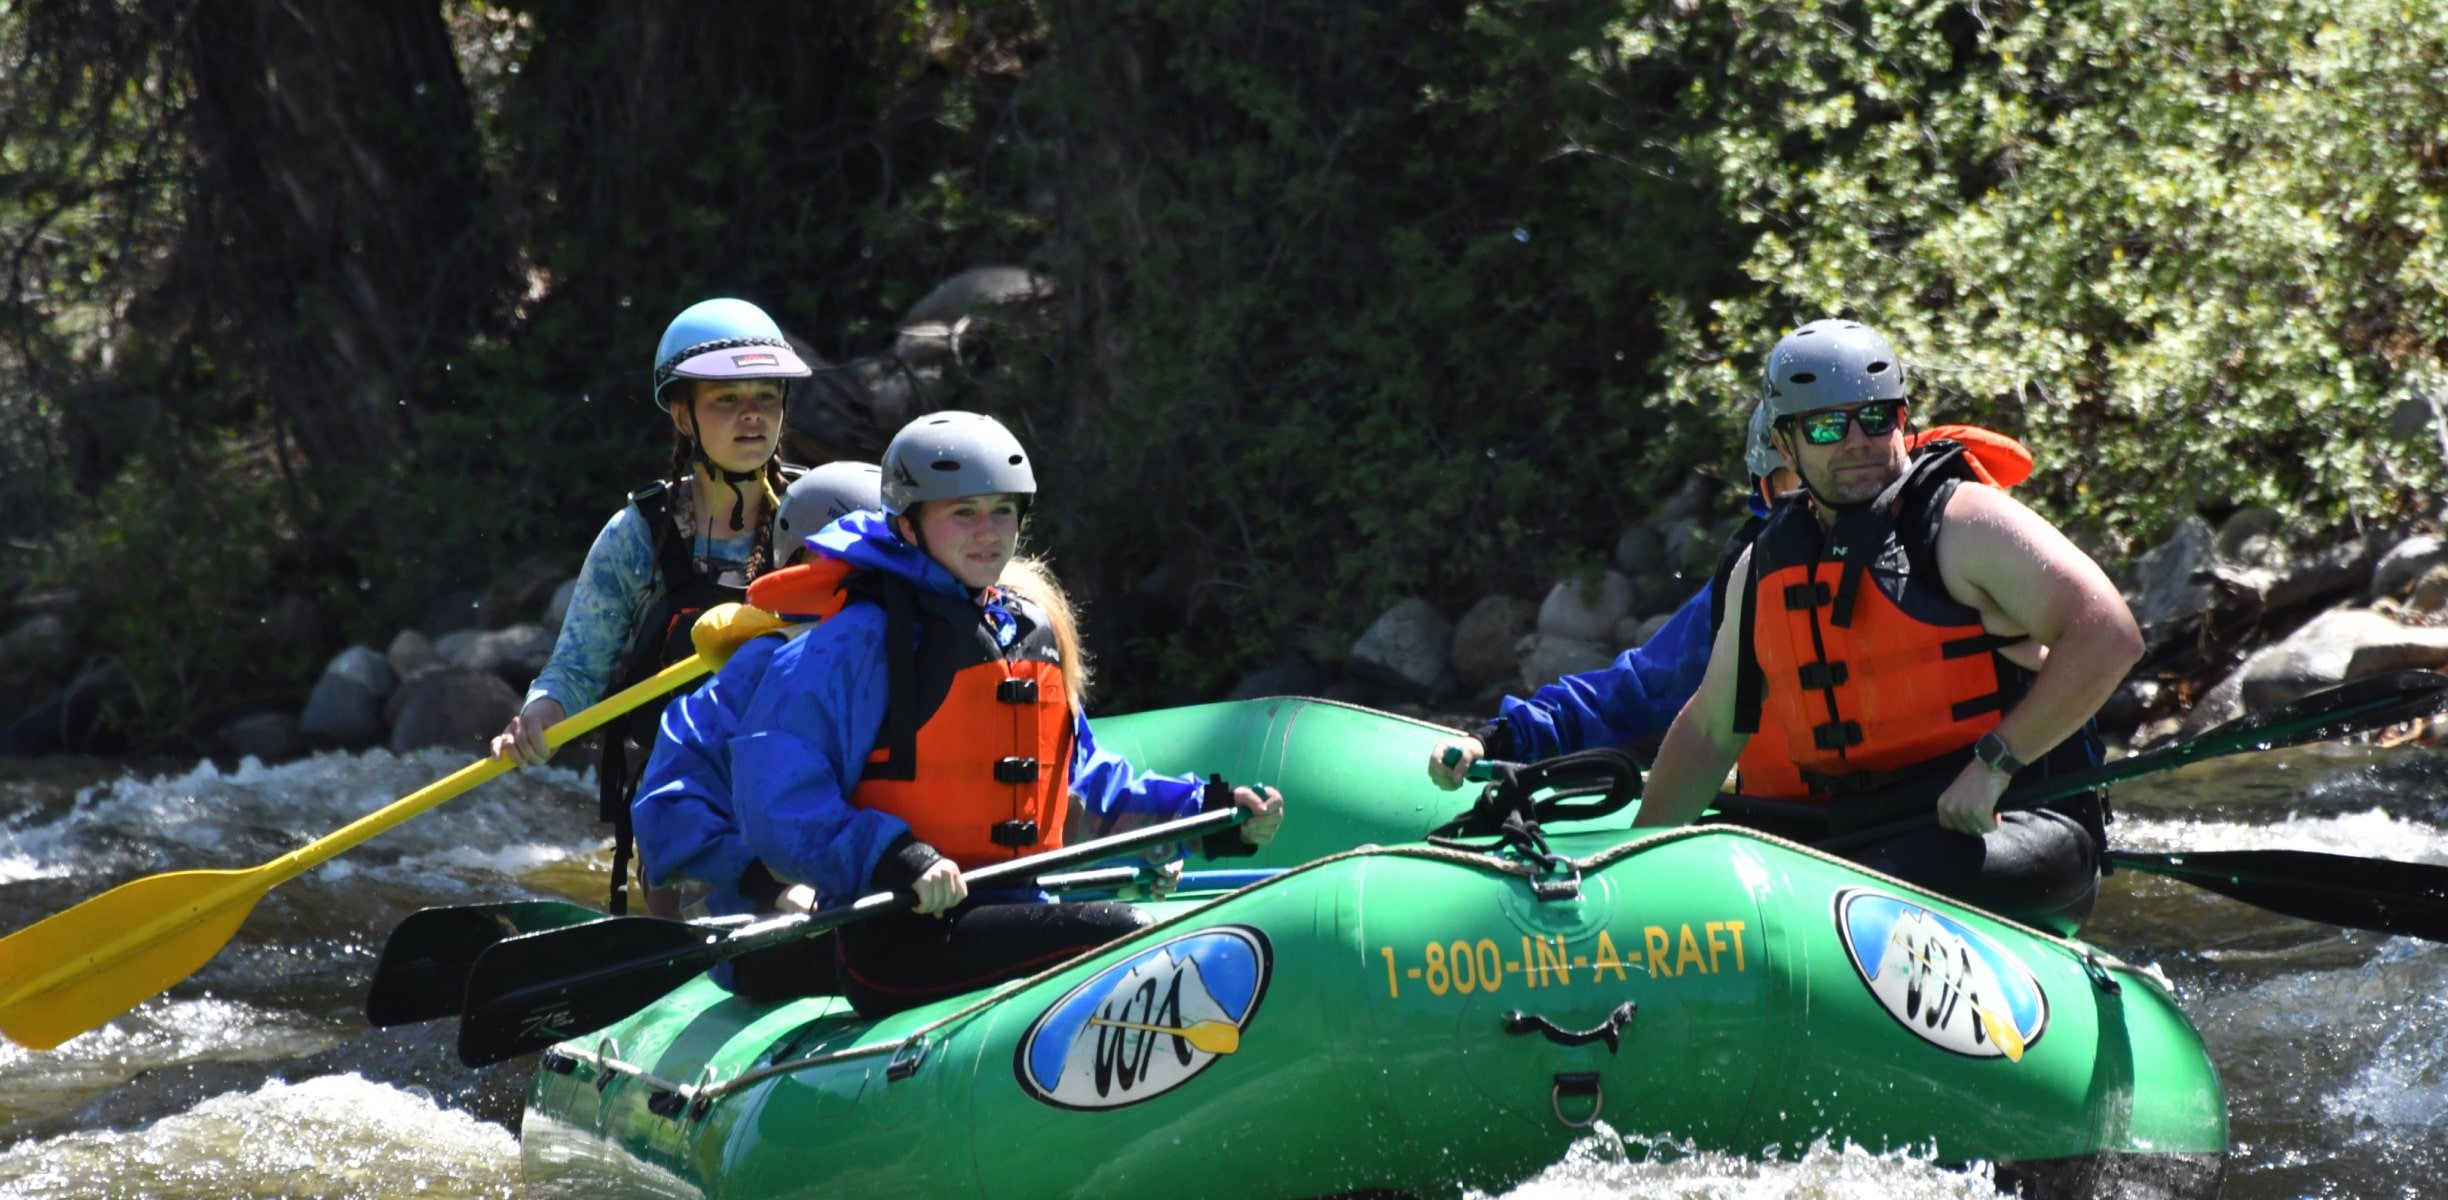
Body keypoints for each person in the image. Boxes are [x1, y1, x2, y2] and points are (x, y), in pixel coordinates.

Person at [638, 410, 1286, 1014]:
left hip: (1009, 904)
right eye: (965, 513)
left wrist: (1203, 814)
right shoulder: (854, 642)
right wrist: (896, 858)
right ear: (906, 525)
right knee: (1133, 937)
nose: (988, 532)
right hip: (896, 932)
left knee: (1205, 924)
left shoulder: (1018, 632)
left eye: (1003, 512)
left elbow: (1081, 781)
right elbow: (777, 795)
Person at [1628, 319, 2140, 932]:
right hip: (1863, 833)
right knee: (1733, 870)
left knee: (1868, 882)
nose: (1857, 442)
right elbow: (1712, 730)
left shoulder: (1963, 523)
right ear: (1786, 445)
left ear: (1901, 419)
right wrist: (1635, 865)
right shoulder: (1763, 564)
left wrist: (1994, 765)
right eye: (1826, 426)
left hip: (2010, 826)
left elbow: (2108, 633)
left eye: (1875, 418)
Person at [1429, 396, 2037, 803]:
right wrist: (1503, 737)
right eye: (1792, 484)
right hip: (1815, 832)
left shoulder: (1944, 539)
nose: (1816, 503)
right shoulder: (1757, 577)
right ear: (1769, 490)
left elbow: (2080, 647)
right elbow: (1637, 690)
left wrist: (1998, 767)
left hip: (1971, 818)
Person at [491, 297, 811, 915]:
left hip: (804, 785)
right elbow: (578, 669)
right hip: (685, 801)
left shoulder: (824, 515)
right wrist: (539, 715)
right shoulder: (637, 536)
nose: (752, 417)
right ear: (683, 416)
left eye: (767, 396)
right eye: (726, 399)